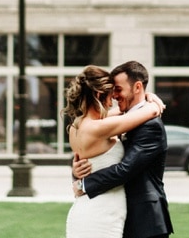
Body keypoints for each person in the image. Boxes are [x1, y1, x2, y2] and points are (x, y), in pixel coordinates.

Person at [71, 61, 174, 238]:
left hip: (145, 219)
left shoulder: (150, 125)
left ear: (137, 87)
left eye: (118, 89)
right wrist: (77, 173)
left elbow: (126, 169)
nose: (114, 96)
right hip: (113, 213)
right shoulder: (112, 121)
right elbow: (88, 157)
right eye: (111, 91)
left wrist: (84, 184)